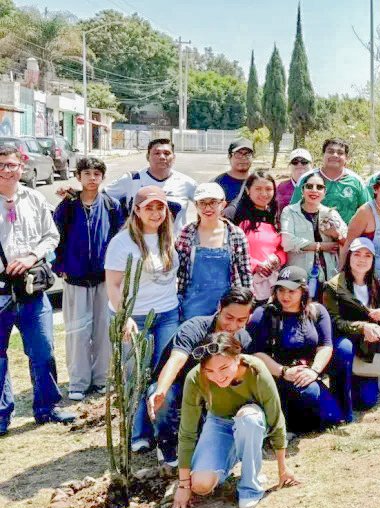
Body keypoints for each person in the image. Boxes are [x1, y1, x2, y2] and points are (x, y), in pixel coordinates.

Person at [170, 332, 297, 508]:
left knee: (248, 420)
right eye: (210, 371)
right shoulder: (195, 378)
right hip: (219, 422)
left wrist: (282, 468)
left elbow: (276, 419)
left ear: (237, 358)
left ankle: (250, 487)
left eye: (224, 368)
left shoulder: (256, 370)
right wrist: (183, 485)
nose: (218, 376)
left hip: (252, 420)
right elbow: (187, 432)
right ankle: (236, 459)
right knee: (201, 485)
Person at [0, 145, 74, 435]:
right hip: (2, 291)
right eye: (3, 165)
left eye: (12, 165)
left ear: (22, 167)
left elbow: (51, 235)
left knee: (43, 350)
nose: (8, 169)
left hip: (32, 288)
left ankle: (48, 407)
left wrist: (31, 257)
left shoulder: (33, 199)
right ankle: (2, 415)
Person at [105, 186, 181, 451]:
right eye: (149, 207)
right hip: (134, 316)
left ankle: (163, 432)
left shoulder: (169, 236)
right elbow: (113, 285)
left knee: (163, 376)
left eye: (160, 207)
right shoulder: (122, 242)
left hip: (167, 314)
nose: (156, 212)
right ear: (136, 210)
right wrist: (124, 316)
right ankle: (138, 433)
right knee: (136, 375)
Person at [146, 288, 255, 468]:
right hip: (179, 387)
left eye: (241, 320)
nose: (233, 325)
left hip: (214, 391)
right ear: (219, 307)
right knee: (163, 399)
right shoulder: (194, 327)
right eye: (229, 317)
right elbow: (177, 358)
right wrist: (161, 390)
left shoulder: (244, 340)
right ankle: (168, 446)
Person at [53, 156, 125, 401]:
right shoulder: (69, 205)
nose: (92, 178)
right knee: (77, 332)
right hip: (75, 278)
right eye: (87, 174)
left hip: (105, 279)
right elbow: (56, 237)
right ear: (78, 177)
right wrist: (59, 265)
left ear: (103, 177)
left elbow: (119, 239)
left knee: (104, 330)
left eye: (97, 174)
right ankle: (78, 381)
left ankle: (102, 378)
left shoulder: (112, 205)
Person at [247, 266, 341, 433]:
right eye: (281, 290)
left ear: (303, 291)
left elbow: (326, 346)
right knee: (308, 397)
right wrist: (283, 372)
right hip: (277, 375)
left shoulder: (317, 311)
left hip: (307, 373)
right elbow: (256, 353)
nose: (285, 296)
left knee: (332, 417)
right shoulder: (263, 314)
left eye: (292, 291)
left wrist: (314, 371)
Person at [323, 238, 380, 418]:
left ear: (373, 260)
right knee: (345, 348)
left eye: (367, 255)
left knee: (366, 402)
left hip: (369, 350)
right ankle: (341, 388)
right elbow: (333, 322)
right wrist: (363, 327)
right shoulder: (333, 286)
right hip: (344, 343)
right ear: (349, 256)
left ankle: (368, 379)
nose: (362, 259)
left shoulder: (378, 284)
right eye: (357, 254)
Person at [342, 170, 380, 351]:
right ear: (376, 189)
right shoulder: (365, 212)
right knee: (369, 320)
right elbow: (348, 244)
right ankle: (366, 363)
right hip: (368, 274)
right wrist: (343, 275)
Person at [175, 183, 252, 320]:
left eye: (213, 203)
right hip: (192, 307)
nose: (208, 208)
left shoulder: (235, 234)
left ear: (223, 204)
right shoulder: (187, 233)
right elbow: (179, 271)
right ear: (196, 205)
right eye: (202, 203)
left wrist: (247, 306)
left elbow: (245, 273)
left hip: (227, 309)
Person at [100, 138, 197, 232]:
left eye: (167, 153)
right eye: (157, 153)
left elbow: (208, 205)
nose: (162, 157)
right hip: (137, 244)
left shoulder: (186, 182)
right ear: (148, 157)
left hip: (173, 245)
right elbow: (102, 198)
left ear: (174, 158)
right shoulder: (132, 179)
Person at [281, 172, 346, 299]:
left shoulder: (331, 213)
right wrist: (320, 246)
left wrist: (336, 234)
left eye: (319, 187)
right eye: (309, 186)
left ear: (324, 192)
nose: (314, 190)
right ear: (302, 190)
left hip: (328, 276)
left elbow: (347, 241)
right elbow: (287, 242)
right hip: (299, 277)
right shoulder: (290, 211)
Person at [228, 170, 286, 304]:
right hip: (244, 282)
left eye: (268, 189)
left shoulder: (276, 215)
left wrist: (277, 259)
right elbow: (228, 248)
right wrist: (255, 265)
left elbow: (283, 248)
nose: (264, 194)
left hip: (271, 283)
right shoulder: (235, 215)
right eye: (258, 189)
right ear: (248, 190)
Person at [289, 139, 369, 225]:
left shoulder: (356, 181)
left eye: (340, 153)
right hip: (310, 235)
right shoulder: (306, 179)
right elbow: (293, 211)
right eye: (330, 151)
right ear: (323, 155)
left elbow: (368, 211)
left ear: (347, 158)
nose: (335, 155)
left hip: (346, 236)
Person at [211, 138, 254, 204]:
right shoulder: (216, 184)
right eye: (238, 154)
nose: (243, 158)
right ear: (229, 156)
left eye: (247, 154)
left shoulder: (259, 182)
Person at [274, 148, 313, 216]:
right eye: (295, 162)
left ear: (312, 165)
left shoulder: (320, 187)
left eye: (304, 161)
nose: (299, 164)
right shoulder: (280, 187)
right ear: (290, 165)